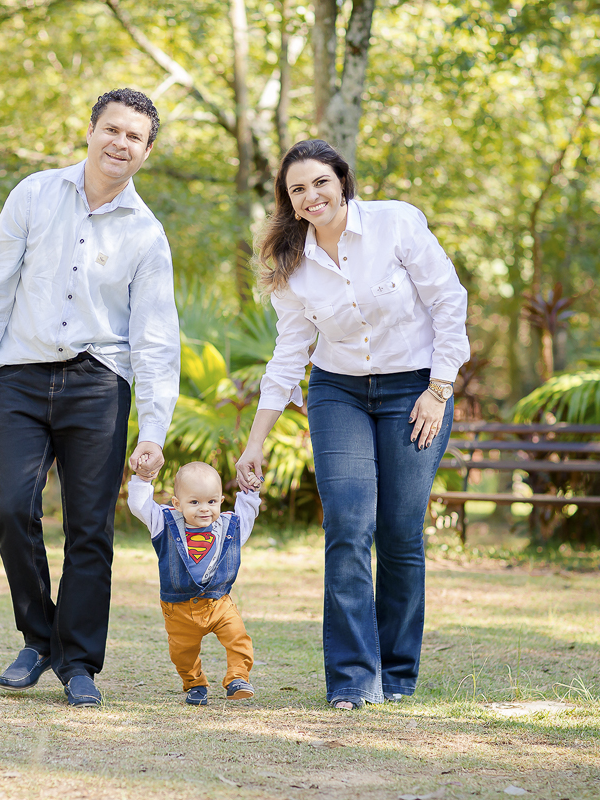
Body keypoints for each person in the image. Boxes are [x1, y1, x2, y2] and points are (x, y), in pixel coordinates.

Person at [0, 88, 180, 708]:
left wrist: (154, 431)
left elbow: (157, 338)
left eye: (135, 137)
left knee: (90, 530)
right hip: (23, 377)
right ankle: (38, 638)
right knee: (10, 505)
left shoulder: (147, 233)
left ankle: (78, 660)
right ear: (91, 131)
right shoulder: (34, 194)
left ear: (147, 151)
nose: (121, 143)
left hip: (99, 383)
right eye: (112, 130)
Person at [234, 139, 469, 710]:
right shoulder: (292, 266)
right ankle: (351, 678)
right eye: (297, 189)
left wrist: (439, 390)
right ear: (288, 203)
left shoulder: (397, 224)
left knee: (399, 531)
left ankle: (397, 673)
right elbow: (289, 352)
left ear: (342, 181)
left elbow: (448, 301)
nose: (311, 196)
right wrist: (255, 441)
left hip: (415, 388)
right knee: (347, 523)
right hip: (337, 392)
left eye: (320, 182)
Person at [126, 460, 260, 705]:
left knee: (238, 638)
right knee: (182, 654)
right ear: (177, 504)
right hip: (179, 609)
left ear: (220, 500)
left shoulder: (230, 527)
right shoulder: (164, 523)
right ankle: (195, 683)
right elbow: (139, 505)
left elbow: (248, 511)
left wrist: (250, 490)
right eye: (194, 502)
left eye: (211, 501)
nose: (204, 509)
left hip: (218, 604)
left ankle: (237, 678)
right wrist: (143, 479)